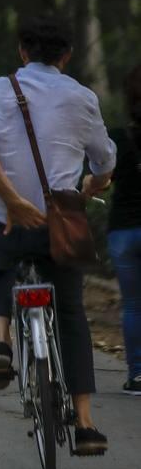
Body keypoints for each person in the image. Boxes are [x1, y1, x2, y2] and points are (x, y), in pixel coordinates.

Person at [0, 15, 114, 455]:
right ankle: (85, 424)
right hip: (58, 230)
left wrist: (9, 197)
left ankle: (2, 341)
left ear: (22, 52)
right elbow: (105, 164)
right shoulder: (83, 98)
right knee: (70, 314)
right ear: (66, 56)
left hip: (4, 224)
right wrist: (91, 186)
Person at [108, 64, 141, 395]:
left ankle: (137, 375)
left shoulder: (119, 137)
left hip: (123, 232)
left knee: (133, 305)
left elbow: (102, 179)